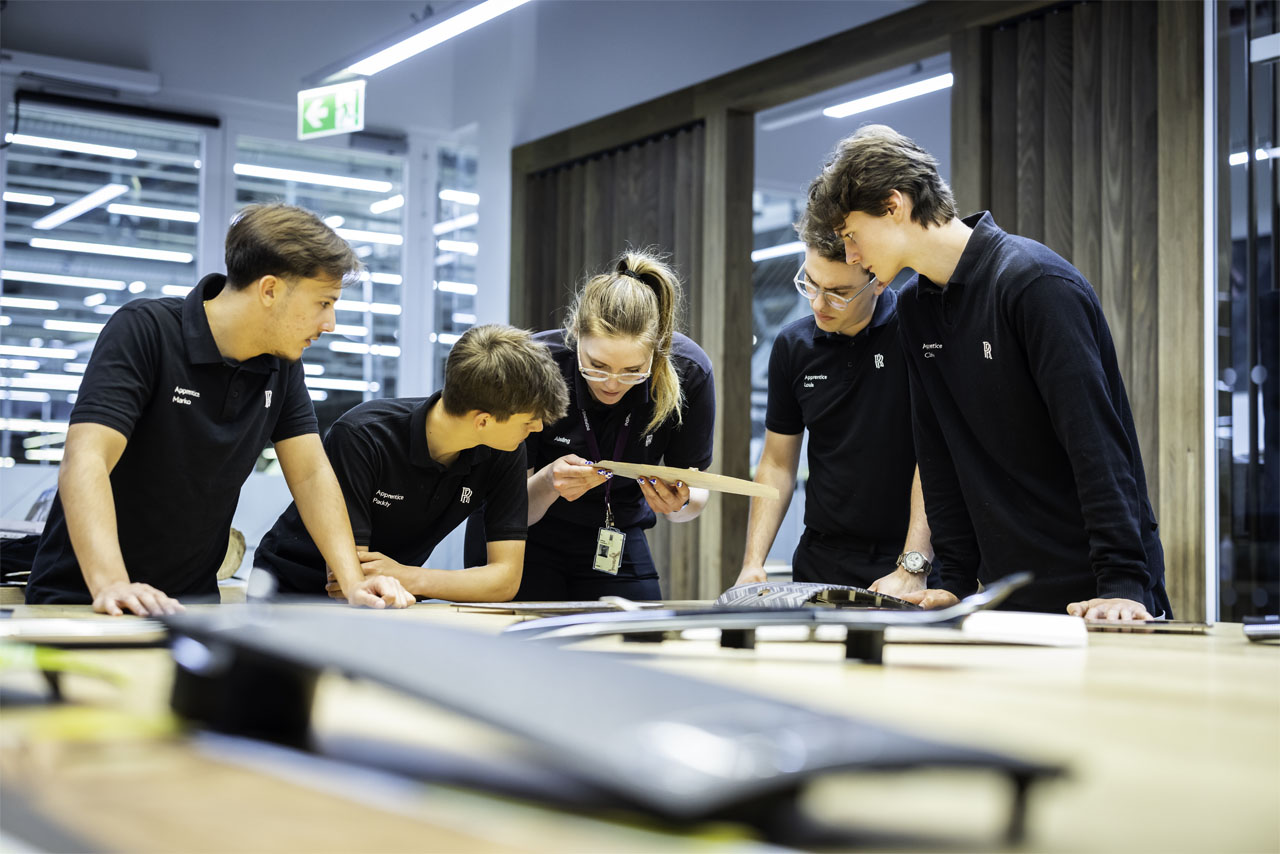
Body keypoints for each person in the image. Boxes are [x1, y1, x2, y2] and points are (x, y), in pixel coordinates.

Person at [805, 124, 1170, 620]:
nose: (851, 256)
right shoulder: (914, 307)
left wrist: (1124, 581)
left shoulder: (1034, 284)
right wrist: (953, 578)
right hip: (1004, 593)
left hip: (1100, 589)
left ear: (894, 205)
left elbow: (1097, 444)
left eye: (851, 235)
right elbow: (938, 452)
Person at [25, 204, 414, 614]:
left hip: (189, 605)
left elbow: (312, 475)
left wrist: (353, 582)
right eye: (323, 302)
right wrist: (112, 584)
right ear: (269, 290)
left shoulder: (281, 367)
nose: (330, 322)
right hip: (84, 598)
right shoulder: (146, 329)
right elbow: (86, 459)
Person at [466, 249, 715, 600]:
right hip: (522, 533)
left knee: (640, 640)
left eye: (632, 371)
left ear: (656, 353)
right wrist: (549, 483)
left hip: (614, 531)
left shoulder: (689, 371)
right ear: (576, 335)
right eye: (596, 366)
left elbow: (695, 491)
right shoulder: (538, 364)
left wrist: (680, 503)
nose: (612, 383)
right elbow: (504, 508)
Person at [253, 324, 568, 601]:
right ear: (482, 421)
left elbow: (505, 581)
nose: (538, 429)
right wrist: (417, 580)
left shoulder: (504, 449)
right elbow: (352, 579)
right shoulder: (364, 436)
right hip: (289, 589)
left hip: (391, 596)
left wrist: (411, 577)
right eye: (529, 421)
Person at [733, 222, 932, 594]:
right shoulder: (793, 346)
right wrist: (753, 563)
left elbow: (936, 456)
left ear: (880, 280)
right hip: (822, 557)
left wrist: (913, 564)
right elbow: (777, 463)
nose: (818, 304)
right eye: (810, 283)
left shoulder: (917, 332)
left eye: (839, 292)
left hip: (907, 556)